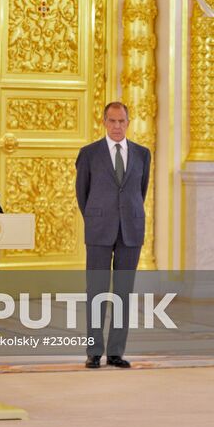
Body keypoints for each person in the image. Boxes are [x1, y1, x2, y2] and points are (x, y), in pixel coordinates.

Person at [75, 101, 151, 369]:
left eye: (122, 121)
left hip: (131, 229)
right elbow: (82, 193)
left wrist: (125, 215)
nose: (117, 126)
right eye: (112, 121)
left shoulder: (143, 154)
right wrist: (99, 217)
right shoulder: (89, 153)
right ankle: (94, 351)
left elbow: (140, 191)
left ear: (128, 123)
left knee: (123, 292)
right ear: (104, 122)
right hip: (99, 229)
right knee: (96, 290)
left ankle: (116, 351)